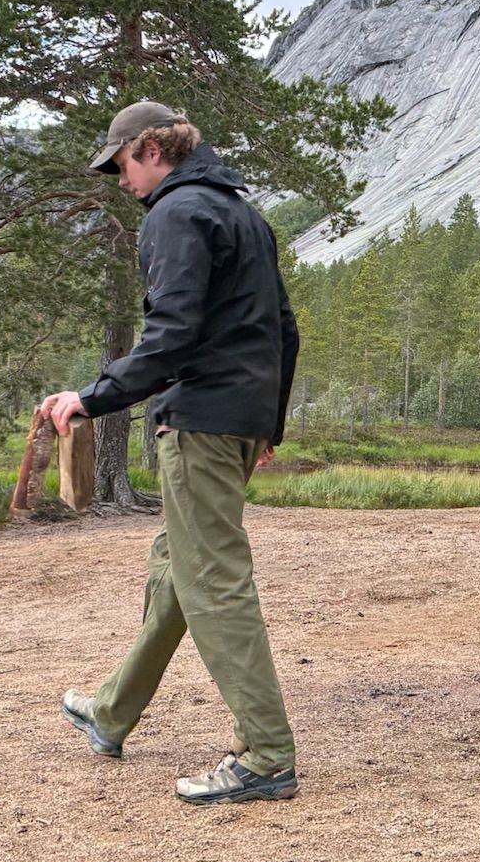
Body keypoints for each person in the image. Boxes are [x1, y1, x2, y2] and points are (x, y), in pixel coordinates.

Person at [37, 100, 300, 805]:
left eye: (121, 164)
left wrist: (91, 398)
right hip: (236, 419)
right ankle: (111, 710)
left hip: (201, 420)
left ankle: (267, 754)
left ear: (153, 150)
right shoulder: (244, 215)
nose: (120, 180)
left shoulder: (175, 213)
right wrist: (266, 425)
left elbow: (172, 333)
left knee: (212, 579)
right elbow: (284, 329)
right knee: (178, 571)